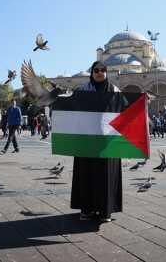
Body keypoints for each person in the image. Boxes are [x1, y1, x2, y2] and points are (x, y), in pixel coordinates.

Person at [70, 61, 123, 223]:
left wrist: (143, 102)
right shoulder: (83, 90)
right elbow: (71, 108)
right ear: (92, 73)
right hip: (86, 140)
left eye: (102, 70)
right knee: (86, 174)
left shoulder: (114, 90)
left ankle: (105, 211)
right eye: (96, 70)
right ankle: (86, 210)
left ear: (106, 72)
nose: (99, 73)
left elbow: (125, 108)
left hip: (108, 140)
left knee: (106, 175)